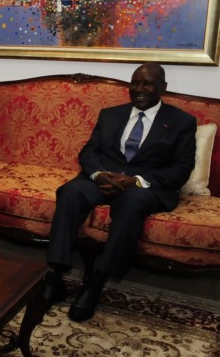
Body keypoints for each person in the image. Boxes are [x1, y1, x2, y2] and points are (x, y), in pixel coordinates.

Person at [44, 62, 197, 322]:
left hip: (145, 186)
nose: (139, 89)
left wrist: (135, 180)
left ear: (163, 87)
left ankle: (96, 283)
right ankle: (56, 275)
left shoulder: (181, 121)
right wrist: (99, 174)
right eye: (135, 83)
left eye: (147, 83)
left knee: (130, 204)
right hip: (104, 179)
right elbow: (89, 151)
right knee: (71, 191)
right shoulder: (110, 114)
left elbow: (181, 169)